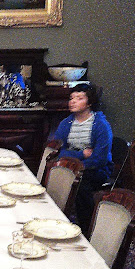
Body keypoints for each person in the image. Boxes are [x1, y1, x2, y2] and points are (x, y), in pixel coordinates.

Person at [54, 83, 113, 234]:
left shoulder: (100, 125)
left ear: (90, 103)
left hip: (95, 169)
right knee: (53, 176)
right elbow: (56, 151)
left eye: (79, 98)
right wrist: (80, 155)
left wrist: (77, 166)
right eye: (71, 98)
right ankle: (58, 218)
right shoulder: (66, 123)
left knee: (80, 183)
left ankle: (87, 229)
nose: (72, 101)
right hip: (70, 165)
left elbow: (99, 159)